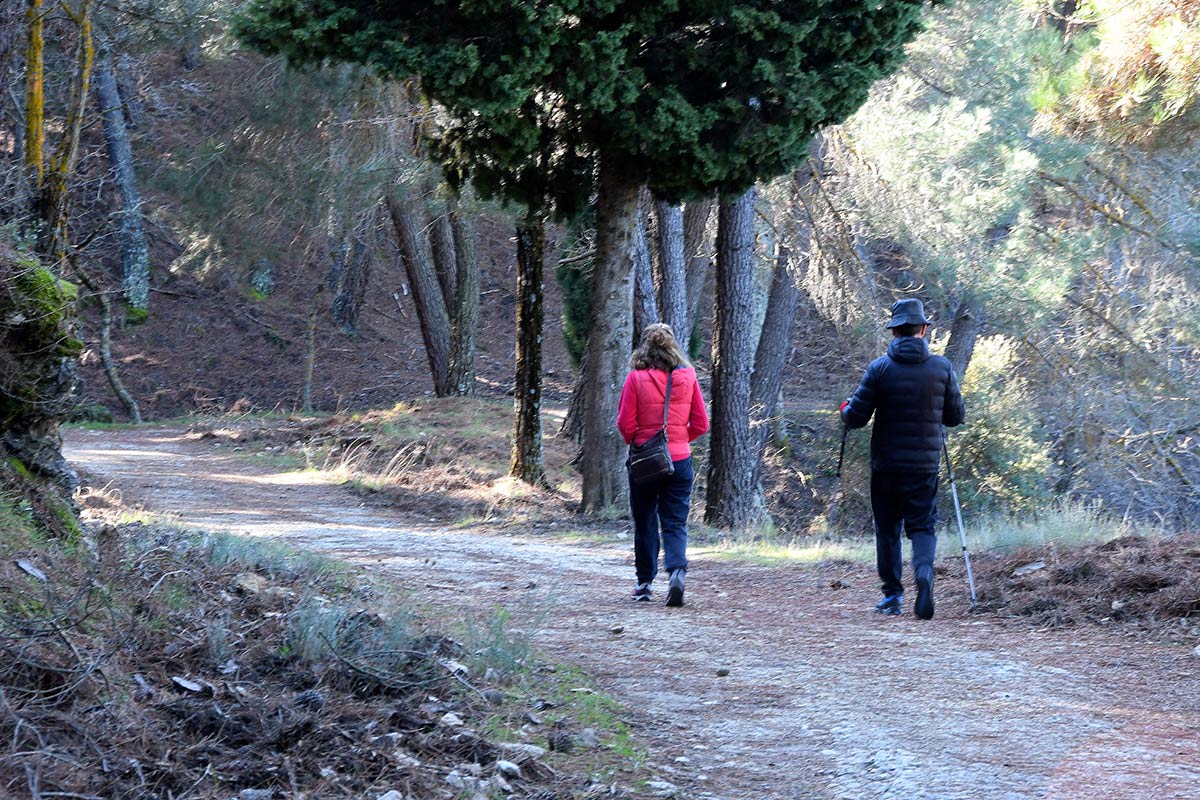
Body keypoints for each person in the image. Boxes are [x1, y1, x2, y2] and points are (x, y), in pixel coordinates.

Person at [840, 299, 965, 620]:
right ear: (923, 330)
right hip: (924, 467)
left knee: (887, 530)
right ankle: (924, 573)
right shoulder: (942, 368)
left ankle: (893, 596)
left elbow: (855, 417)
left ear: (894, 331)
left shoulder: (880, 368)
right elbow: (955, 417)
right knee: (922, 527)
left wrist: (844, 409)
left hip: (886, 467)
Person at [617, 323, 709, 607]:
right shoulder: (689, 376)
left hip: (645, 462)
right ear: (673, 346)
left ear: (645, 347)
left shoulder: (636, 378)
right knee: (675, 521)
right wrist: (680, 439)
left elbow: (625, 424)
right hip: (680, 461)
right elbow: (701, 424)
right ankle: (677, 573)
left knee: (644, 520)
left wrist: (641, 442)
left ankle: (644, 584)